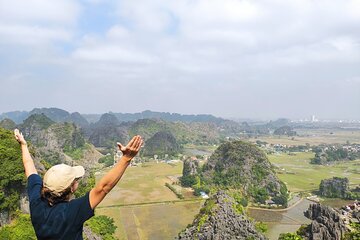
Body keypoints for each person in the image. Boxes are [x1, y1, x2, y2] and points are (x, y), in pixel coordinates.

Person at [14, 129, 143, 240]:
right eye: (75, 180)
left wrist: (23, 145)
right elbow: (103, 188)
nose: (77, 182)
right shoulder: (72, 212)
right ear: (71, 188)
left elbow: (29, 167)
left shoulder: (36, 203)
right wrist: (126, 158)